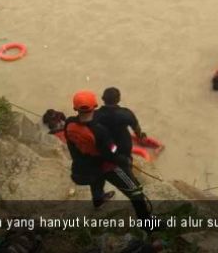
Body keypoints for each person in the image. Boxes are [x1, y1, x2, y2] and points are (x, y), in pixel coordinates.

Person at [64, 90, 152, 225]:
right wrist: (125, 160)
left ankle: (98, 200)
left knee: (96, 180)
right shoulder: (100, 131)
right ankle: (147, 224)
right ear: (95, 105)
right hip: (106, 166)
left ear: (75, 108)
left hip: (85, 167)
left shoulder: (69, 124)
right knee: (136, 192)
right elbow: (113, 151)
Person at [94, 87, 146, 162]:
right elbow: (136, 129)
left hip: (105, 149)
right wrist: (141, 136)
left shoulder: (95, 115)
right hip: (123, 150)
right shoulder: (126, 113)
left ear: (103, 98)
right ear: (118, 99)